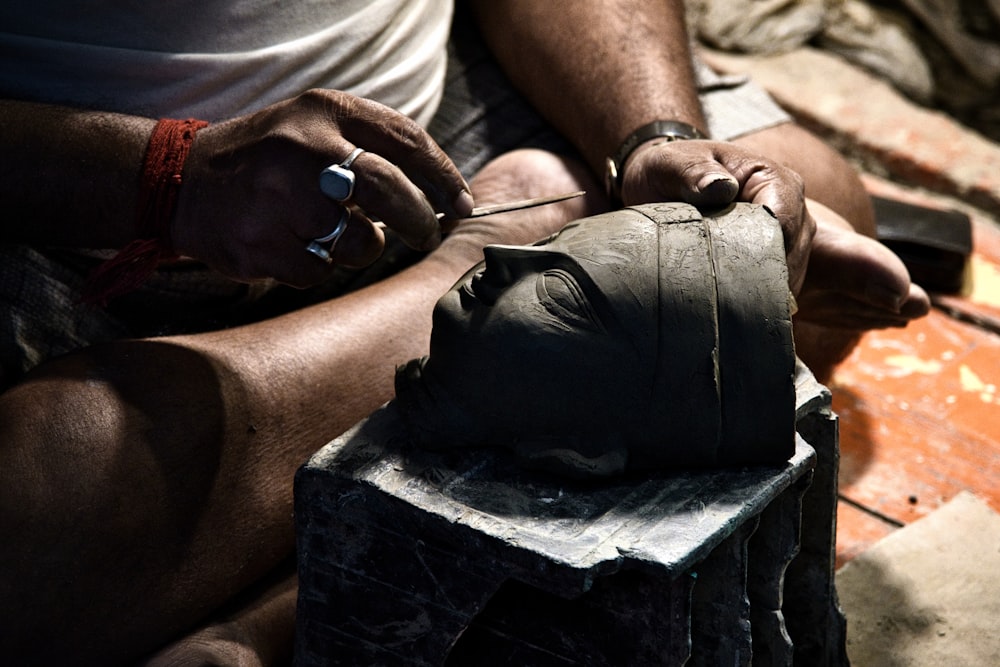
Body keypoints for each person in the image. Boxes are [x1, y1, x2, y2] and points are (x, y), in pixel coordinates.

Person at [0, 0, 929, 664]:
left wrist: (651, 135)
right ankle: (496, 269)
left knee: (803, 210)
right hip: (85, 200)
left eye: (549, 286)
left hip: (436, 120)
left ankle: (286, 608)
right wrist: (165, 177)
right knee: (29, 521)